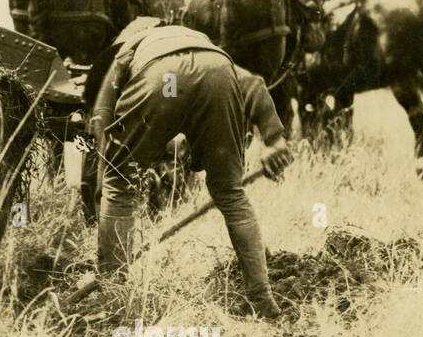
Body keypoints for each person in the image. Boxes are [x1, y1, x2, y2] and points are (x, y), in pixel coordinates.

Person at [88, 19, 294, 318]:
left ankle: (112, 294)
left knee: (119, 186)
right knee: (231, 194)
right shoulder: (199, 41)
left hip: (161, 76)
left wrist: (108, 153)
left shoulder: (131, 46)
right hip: (218, 73)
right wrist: (274, 138)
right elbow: (253, 83)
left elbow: (102, 113)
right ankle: (262, 300)